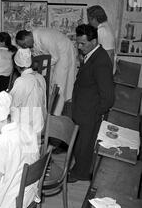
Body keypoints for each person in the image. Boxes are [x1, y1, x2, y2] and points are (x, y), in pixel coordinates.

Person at [68, 24, 114, 183]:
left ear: (94, 41)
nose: (80, 47)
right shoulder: (93, 55)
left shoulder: (100, 60)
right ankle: (79, 169)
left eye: (83, 43)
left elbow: (108, 96)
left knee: (84, 146)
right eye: (78, 43)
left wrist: (96, 113)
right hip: (83, 109)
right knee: (81, 144)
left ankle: (80, 173)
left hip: (90, 112)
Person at [15, 28, 77, 116]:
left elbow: (55, 57)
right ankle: (50, 110)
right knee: (47, 82)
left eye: (24, 44)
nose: (25, 46)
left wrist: (39, 65)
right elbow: (39, 56)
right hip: (53, 57)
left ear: (28, 36)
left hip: (63, 52)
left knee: (59, 83)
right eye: (23, 46)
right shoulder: (32, 41)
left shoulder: (44, 37)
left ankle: (55, 114)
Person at [9, 47, 46, 136]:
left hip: (27, 129)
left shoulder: (21, 80)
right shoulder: (40, 77)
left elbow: (12, 105)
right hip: (41, 125)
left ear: (16, 65)